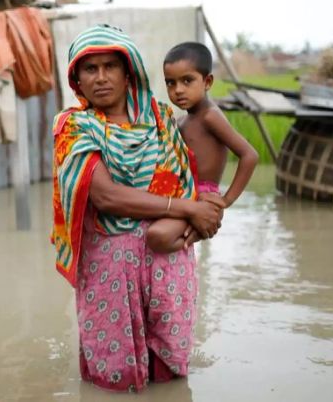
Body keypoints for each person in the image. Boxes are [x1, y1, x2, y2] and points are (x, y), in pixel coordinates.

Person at [51, 25, 223, 393]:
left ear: (128, 71)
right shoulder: (74, 128)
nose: (100, 78)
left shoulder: (162, 119)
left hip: (168, 255)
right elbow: (107, 197)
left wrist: (199, 216)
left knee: (171, 367)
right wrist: (188, 210)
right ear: (76, 79)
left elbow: (189, 179)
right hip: (108, 264)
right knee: (113, 375)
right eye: (89, 69)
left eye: (110, 66)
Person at [146, 42, 258, 253]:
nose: (178, 90)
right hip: (182, 196)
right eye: (171, 83)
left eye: (187, 81)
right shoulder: (181, 121)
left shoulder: (210, 116)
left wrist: (225, 201)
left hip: (204, 197)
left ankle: (195, 236)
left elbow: (249, 155)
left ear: (207, 82)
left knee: (156, 236)